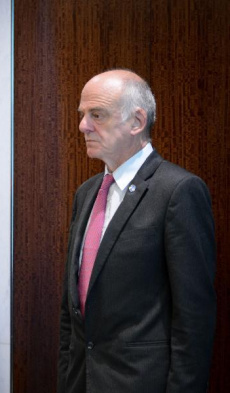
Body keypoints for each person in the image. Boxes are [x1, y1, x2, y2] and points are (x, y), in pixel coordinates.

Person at [58, 69, 216, 393]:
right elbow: (71, 309)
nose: (82, 126)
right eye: (82, 115)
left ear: (136, 121)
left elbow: (194, 320)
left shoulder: (178, 192)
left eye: (96, 114)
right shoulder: (86, 193)